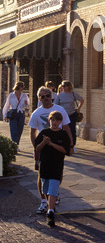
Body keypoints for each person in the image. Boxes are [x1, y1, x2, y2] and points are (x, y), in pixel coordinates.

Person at [29, 86, 73, 214]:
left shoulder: (60, 110)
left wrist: (71, 145)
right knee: (41, 173)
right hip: (42, 148)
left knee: (58, 171)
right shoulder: (36, 113)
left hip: (58, 146)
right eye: (42, 96)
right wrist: (36, 148)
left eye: (48, 95)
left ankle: (54, 194)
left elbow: (66, 128)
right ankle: (43, 201)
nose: (46, 98)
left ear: (51, 96)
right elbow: (32, 132)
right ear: (39, 98)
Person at [34, 111, 71, 227]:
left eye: (57, 120)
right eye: (52, 120)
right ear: (49, 120)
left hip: (57, 166)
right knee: (45, 190)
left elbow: (65, 150)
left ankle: (50, 213)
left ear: (60, 122)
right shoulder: (44, 133)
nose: (54, 122)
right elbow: (37, 148)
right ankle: (51, 205)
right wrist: (44, 142)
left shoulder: (63, 134)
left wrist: (51, 144)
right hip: (45, 165)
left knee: (53, 189)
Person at [55, 80, 84, 151]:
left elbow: (82, 99)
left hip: (72, 114)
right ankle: (63, 143)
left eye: (64, 86)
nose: (63, 87)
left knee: (72, 130)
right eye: (62, 86)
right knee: (62, 129)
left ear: (68, 86)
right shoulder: (60, 95)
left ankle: (72, 144)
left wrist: (78, 108)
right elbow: (55, 104)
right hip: (62, 115)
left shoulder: (73, 94)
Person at [2, 81, 29, 150]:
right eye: (22, 86)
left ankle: (16, 144)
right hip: (13, 113)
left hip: (21, 113)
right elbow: (7, 105)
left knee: (20, 130)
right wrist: (5, 115)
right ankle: (14, 145)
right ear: (19, 87)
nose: (23, 88)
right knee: (14, 129)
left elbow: (28, 103)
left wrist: (26, 103)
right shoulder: (11, 95)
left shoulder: (24, 95)